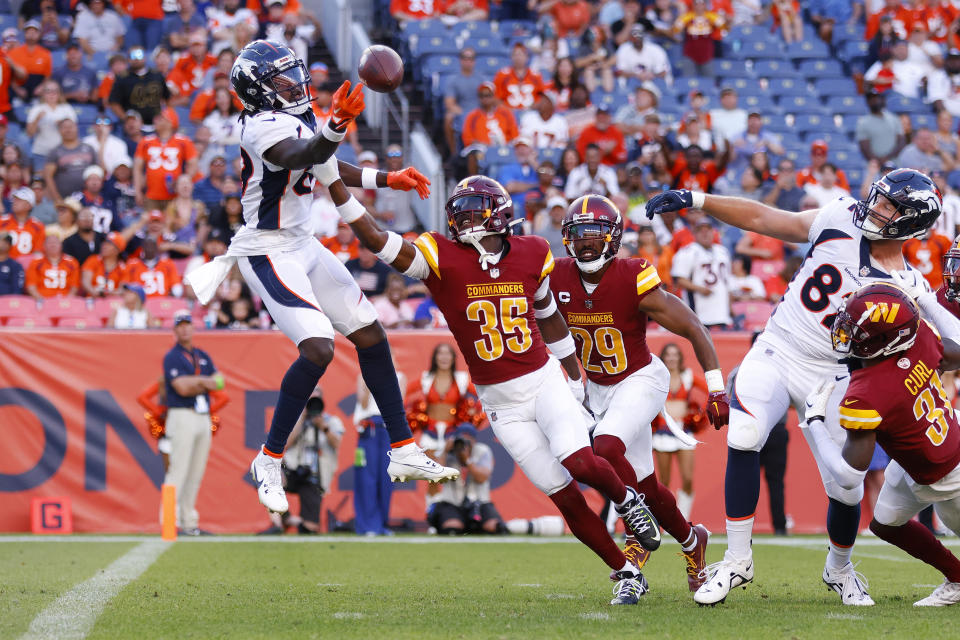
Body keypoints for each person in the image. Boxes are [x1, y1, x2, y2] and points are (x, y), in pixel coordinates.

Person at [331, 170, 663, 605]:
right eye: (460, 212)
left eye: (472, 211)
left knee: (580, 461)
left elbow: (547, 314)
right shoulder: (440, 255)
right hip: (500, 403)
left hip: (542, 380)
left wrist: (574, 374)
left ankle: (628, 503)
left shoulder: (533, 252)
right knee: (562, 495)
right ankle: (624, 571)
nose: (463, 220)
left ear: (499, 215)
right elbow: (378, 240)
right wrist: (336, 187)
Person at [643, 168, 944, 606]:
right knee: (745, 434)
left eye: (887, 206)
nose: (873, 208)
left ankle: (839, 568)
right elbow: (767, 219)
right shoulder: (840, 216)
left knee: (847, 486)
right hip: (779, 349)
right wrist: (697, 199)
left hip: (838, 374)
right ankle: (737, 559)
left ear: (911, 222)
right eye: (877, 198)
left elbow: (929, 349)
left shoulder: (908, 287)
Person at [184, 41, 459, 518]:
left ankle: (403, 448)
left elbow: (326, 163)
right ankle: (268, 460)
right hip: (267, 249)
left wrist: (385, 179)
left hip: (303, 242)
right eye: (282, 78)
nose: (296, 83)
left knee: (372, 335)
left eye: (295, 73)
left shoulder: (294, 115)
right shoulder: (258, 126)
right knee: (317, 348)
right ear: (258, 91)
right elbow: (303, 153)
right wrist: (335, 125)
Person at [552, 195, 728, 590]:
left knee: (606, 447)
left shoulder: (634, 275)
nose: (586, 244)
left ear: (613, 239)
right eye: (578, 235)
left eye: (595, 235)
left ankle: (635, 527)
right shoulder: (557, 276)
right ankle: (691, 540)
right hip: (596, 387)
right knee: (645, 483)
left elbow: (694, 326)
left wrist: (716, 387)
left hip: (641, 378)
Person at [803, 283, 960, 606]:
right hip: (928, 448)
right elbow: (956, 349)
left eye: (859, 332)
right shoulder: (920, 340)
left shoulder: (868, 392)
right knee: (886, 524)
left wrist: (815, 423)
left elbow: (848, 477)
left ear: (886, 341)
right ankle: (957, 577)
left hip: (948, 474)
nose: (848, 335)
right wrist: (926, 301)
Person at [162, 310, 226, 536]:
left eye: (188, 324)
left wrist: (197, 382)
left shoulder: (203, 355)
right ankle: (169, 522)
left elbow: (219, 382)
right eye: (180, 325)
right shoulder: (172, 357)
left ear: (193, 327)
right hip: (182, 414)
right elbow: (181, 387)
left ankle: (189, 521)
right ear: (175, 329)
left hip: (202, 415)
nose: (185, 328)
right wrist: (203, 381)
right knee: (178, 469)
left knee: (195, 472)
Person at [263, 388, 343, 534]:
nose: (310, 404)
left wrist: (322, 426)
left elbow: (337, 443)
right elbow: (286, 444)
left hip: (314, 477)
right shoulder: (295, 420)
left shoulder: (331, 421)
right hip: (292, 469)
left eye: (314, 400)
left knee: (310, 529)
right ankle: (280, 522)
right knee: (266, 474)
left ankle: (298, 523)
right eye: (308, 400)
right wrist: (301, 418)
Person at [651, 343, 708, 520]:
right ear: (663, 357)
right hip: (662, 433)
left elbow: (710, 391)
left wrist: (700, 413)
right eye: (668, 354)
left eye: (675, 354)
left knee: (688, 479)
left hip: (684, 433)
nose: (672, 358)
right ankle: (666, 520)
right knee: (664, 482)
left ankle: (683, 519)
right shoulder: (657, 376)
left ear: (680, 358)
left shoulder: (688, 376)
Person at [352, 361, 406, 536]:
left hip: (387, 429)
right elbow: (364, 403)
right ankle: (367, 524)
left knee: (387, 477)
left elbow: (398, 404)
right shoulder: (363, 376)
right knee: (366, 478)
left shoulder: (399, 377)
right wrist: (371, 378)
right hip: (369, 430)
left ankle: (382, 523)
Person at [429, 424, 505, 534]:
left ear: (474, 441)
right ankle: (463, 526)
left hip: (479, 503)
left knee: (495, 527)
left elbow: (481, 478)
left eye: (467, 442)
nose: (464, 446)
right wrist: (445, 452)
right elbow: (435, 476)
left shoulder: (482, 451)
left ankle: (475, 527)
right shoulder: (447, 452)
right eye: (461, 441)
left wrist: (468, 461)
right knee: (452, 528)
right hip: (452, 503)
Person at [671, 218, 733, 329]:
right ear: (694, 233)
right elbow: (679, 279)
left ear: (714, 232)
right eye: (700, 230)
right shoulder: (687, 251)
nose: (705, 233)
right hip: (699, 311)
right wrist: (700, 289)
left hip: (722, 311)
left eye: (708, 229)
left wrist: (730, 308)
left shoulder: (722, 251)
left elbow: (727, 282)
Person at [25, 234, 80, 299]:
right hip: (42, 300)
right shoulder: (36, 262)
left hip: (65, 301)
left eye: (55, 242)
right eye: (49, 243)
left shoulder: (72, 262)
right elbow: (31, 286)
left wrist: (66, 301)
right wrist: (41, 300)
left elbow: (74, 286)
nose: (53, 245)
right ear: (44, 246)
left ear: (61, 246)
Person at [0, 187, 45, 258]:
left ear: (29, 205)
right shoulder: (2, 221)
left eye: (19, 200)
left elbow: (38, 253)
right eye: (15, 199)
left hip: (27, 266)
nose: (15, 202)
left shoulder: (38, 226)